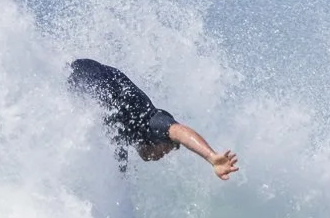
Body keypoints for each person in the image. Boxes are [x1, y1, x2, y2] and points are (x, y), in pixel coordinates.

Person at [68, 58, 238, 178]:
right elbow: (179, 132)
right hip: (95, 78)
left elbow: (113, 180)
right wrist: (211, 157)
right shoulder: (150, 120)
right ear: (161, 140)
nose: (159, 157)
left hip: (82, 80)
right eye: (165, 151)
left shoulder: (122, 142)